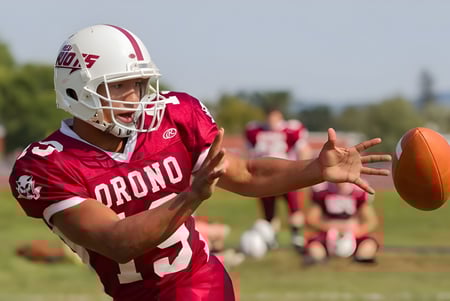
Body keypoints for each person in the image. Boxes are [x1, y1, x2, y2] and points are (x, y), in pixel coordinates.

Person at [9, 24, 391, 301]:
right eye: (119, 86)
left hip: (202, 286)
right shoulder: (47, 165)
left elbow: (245, 172)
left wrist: (315, 169)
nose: (135, 97)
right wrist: (190, 196)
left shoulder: (174, 116)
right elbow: (116, 242)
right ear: (77, 91)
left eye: (139, 84)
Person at [244, 108, 312, 252]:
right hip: (265, 178)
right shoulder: (254, 131)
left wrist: (303, 173)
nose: (272, 120)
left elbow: (304, 150)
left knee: (295, 208)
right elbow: (249, 153)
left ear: (280, 116)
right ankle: (271, 239)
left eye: (275, 117)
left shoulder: (291, 130)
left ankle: (296, 237)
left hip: (287, 175)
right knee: (269, 213)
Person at [303, 182, 380, 266]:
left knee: (369, 243)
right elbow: (311, 219)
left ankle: (362, 259)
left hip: (353, 234)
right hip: (328, 234)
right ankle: (319, 260)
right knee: (314, 246)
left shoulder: (358, 193)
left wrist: (358, 231)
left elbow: (371, 221)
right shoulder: (322, 191)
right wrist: (328, 226)